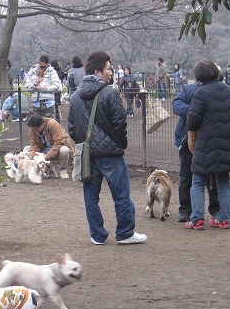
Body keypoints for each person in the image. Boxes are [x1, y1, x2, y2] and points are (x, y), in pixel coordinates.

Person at [68, 51, 147, 245]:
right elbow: (120, 123)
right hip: (111, 154)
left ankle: (97, 235)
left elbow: (71, 127)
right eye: (108, 69)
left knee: (90, 197)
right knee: (121, 195)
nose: (111, 72)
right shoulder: (110, 93)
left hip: (88, 154)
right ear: (98, 71)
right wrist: (120, 144)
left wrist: (84, 143)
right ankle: (125, 233)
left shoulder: (75, 96)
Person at [185, 59, 230, 230]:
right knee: (223, 181)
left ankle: (196, 219)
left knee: (197, 181)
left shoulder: (200, 93)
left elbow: (192, 119)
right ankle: (224, 219)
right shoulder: (227, 90)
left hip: (206, 143)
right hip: (227, 142)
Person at [172, 82, 219, 222]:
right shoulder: (189, 89)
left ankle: (215, 209)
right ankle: (185, 209)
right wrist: (194, 111)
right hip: (187, 138)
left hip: (210, 138)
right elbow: (176, 104)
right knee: (186, 174)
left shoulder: (215, 90)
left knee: (212, 176)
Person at [24, 114, 74, 179]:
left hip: (57, 149)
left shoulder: (53, 124)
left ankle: (63, 171)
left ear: (42, 124)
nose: (34, 131)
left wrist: (46, 156)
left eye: (36, 129)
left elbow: (59, 142)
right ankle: (35, 170)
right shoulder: (32, 129)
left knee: (64, 150)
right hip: (43, 150)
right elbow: (34, 144)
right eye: (33, 129)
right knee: (26, 149)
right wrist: (35, 156)